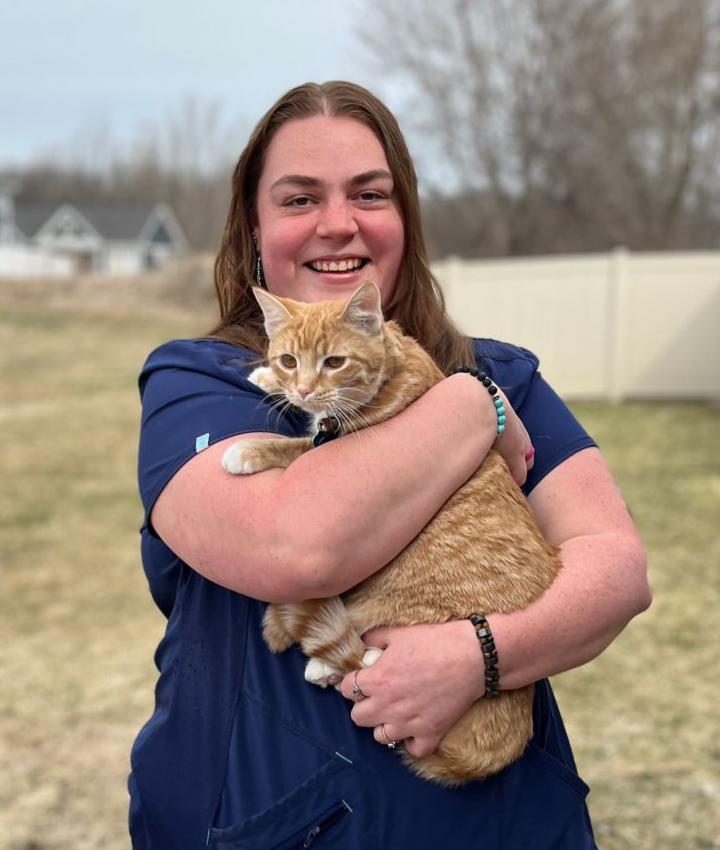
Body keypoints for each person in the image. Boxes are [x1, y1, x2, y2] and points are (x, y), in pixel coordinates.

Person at [129, 81, 651, 849]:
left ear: (404, 217)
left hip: (502, 818)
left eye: (370, 194)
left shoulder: (504, 372)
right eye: (300, 198)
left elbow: (618, 569)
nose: (338, 223)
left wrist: (481, 655)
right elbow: (295, 547)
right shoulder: (198, 382)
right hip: (269, 823)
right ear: (255, 227)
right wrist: (471, 407)